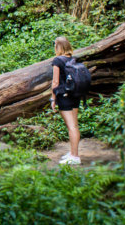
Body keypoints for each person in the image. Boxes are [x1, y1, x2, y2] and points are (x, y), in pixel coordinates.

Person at [51, 36, 81, 165]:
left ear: (58, 47)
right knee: (74, 125)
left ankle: (74, 156)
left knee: (71, 127)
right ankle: (73, 153)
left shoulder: (57, 60)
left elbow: (55, 82)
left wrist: (53, 98)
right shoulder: (73, 59)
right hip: (75, 95)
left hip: (64, 96)